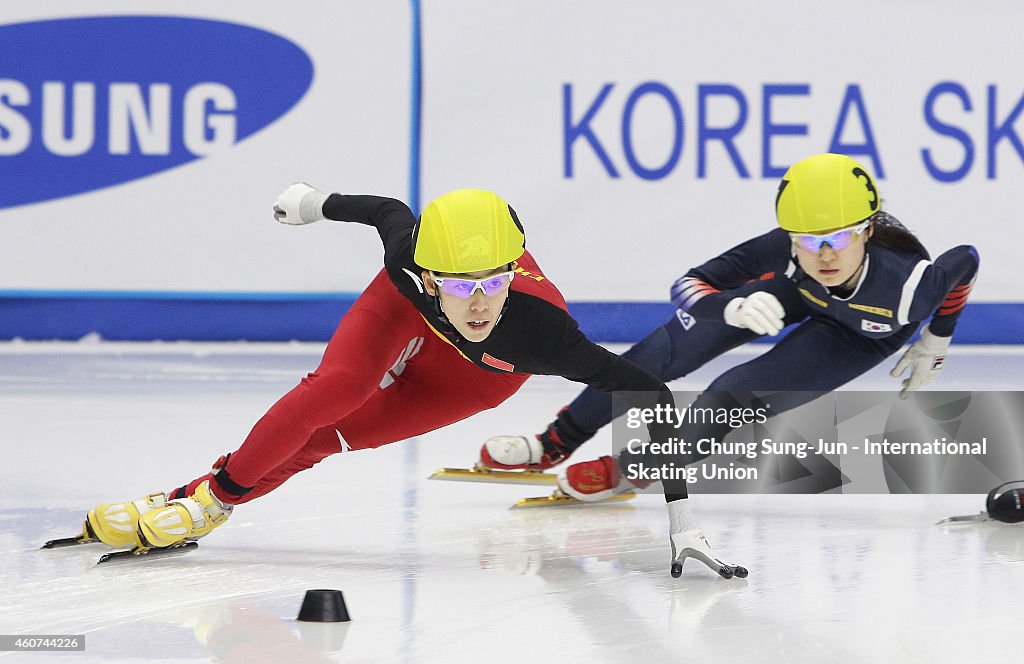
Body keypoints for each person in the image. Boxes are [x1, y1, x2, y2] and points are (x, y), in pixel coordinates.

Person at [78, 185, 742, 578]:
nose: (479, 303)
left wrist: (682, 523)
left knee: (330, 437)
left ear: (512, 274)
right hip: (401, 312)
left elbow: (651, 395)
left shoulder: (544, 335)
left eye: (493, 283)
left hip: (481, 376)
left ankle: (196, 497)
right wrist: (314, 204)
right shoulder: (406, 263)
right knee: (336, 389)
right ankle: (205, 502)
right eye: (460, 286)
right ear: (429, 277)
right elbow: (388, 209)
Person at [479, 153, 979, 518]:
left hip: (863, 334)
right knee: (667, 350)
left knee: (729, 396)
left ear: (868, 231)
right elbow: (688, 284)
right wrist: (731, 304)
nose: (825, 254)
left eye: (840, 238)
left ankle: (629, 468)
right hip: (794, 291)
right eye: (808, 239)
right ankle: (555, 440)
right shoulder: (784, 251)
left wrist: (937, 337)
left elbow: (966, 261)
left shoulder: (910, 285)